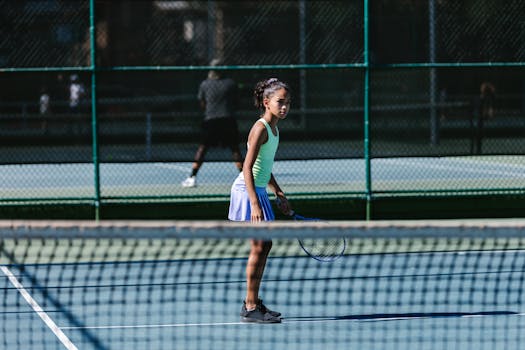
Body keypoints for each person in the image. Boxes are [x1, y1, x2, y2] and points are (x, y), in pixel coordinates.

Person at [228, 78, 292, 323]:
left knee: (265, 245)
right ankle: (251, 305)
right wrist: (254, 201)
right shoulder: (261, 128)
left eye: (288, 103)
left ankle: (252, 301)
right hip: (247, 191)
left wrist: (279, 192)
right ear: (267, 102)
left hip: (259, 190)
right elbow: (247, 166)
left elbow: (264, 167)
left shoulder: (275, 129)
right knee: (259, 245)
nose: (285, 107)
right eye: (280, 102)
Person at [181, 59, 243, 188]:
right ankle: (245, 178)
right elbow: (236, 102)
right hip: (228, 120)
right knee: (235, 149)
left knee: (202, 149)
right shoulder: (231, 84)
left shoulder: (205, 84)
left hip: (211, 121)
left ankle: (192, 176)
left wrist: (211, 112)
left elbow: (202, 103)